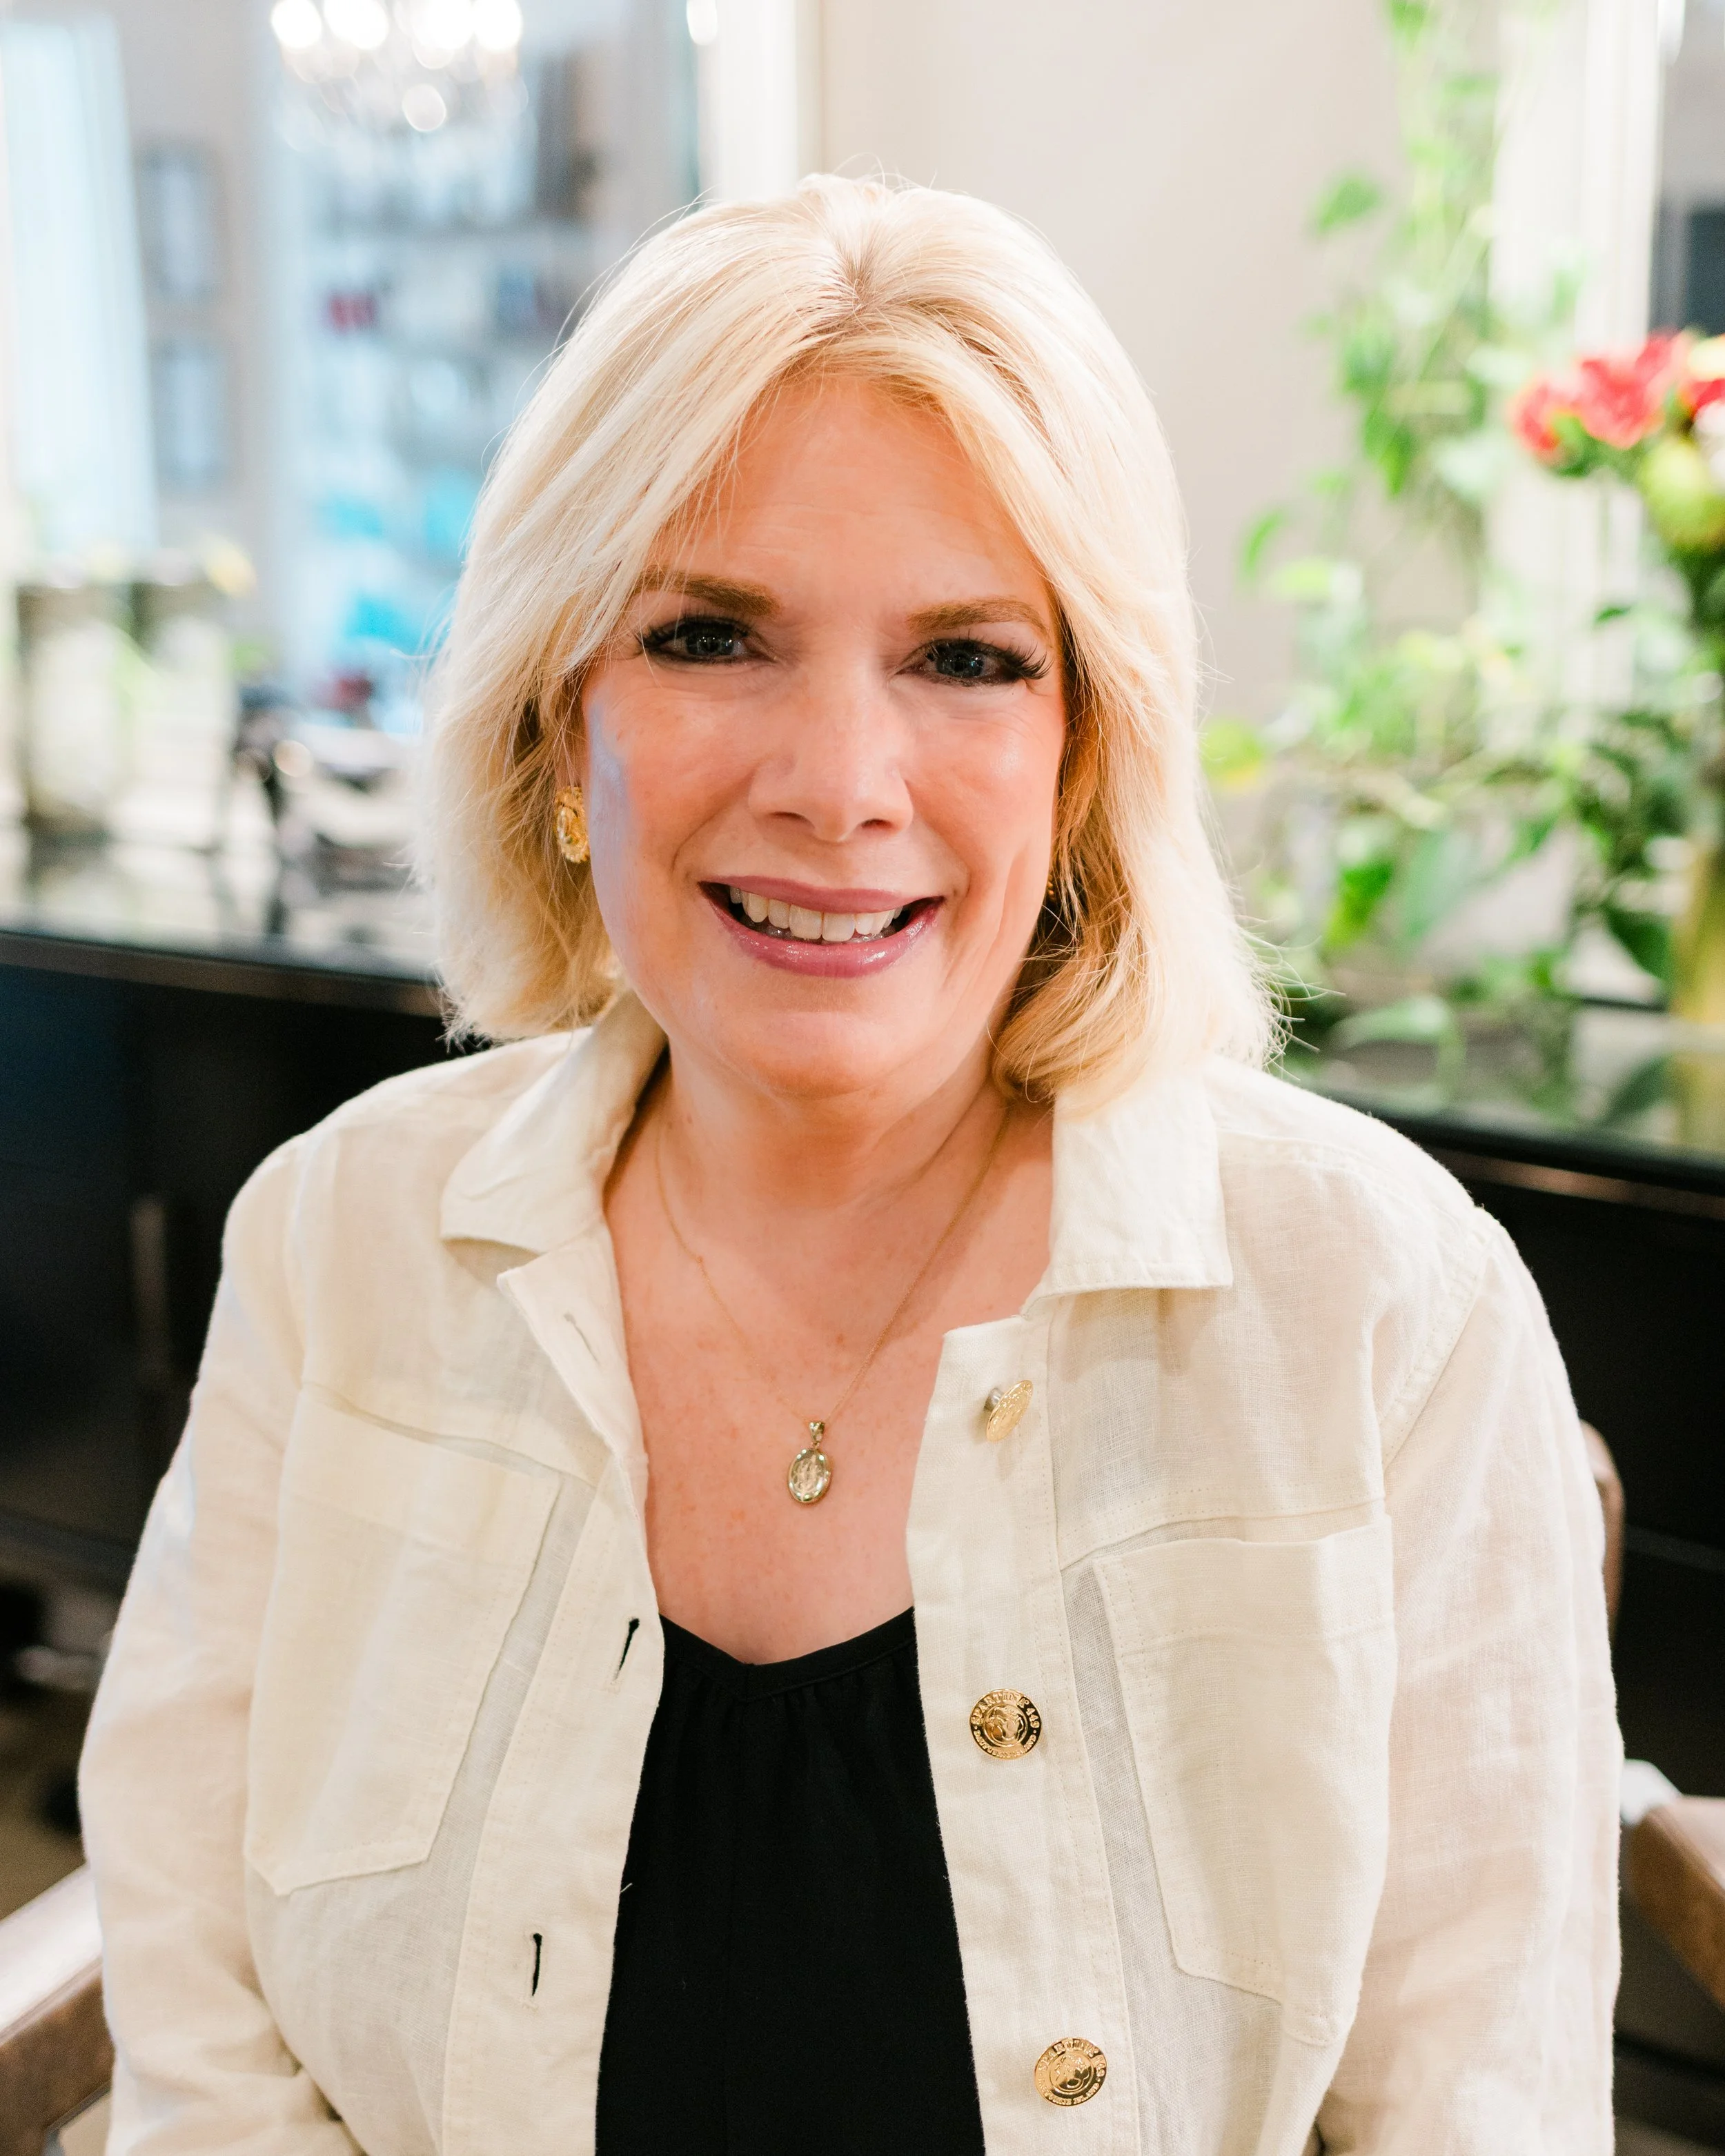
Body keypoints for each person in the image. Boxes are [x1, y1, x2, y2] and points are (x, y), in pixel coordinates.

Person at [79, 176, 1619, 2155]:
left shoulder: (1376, 1299)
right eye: (713, 634)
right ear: (562, 722)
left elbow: (1479, 2108)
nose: (836, 781)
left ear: (1082, 750)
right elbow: (205, 2035)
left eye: (967, 658)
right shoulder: (338, 1238)